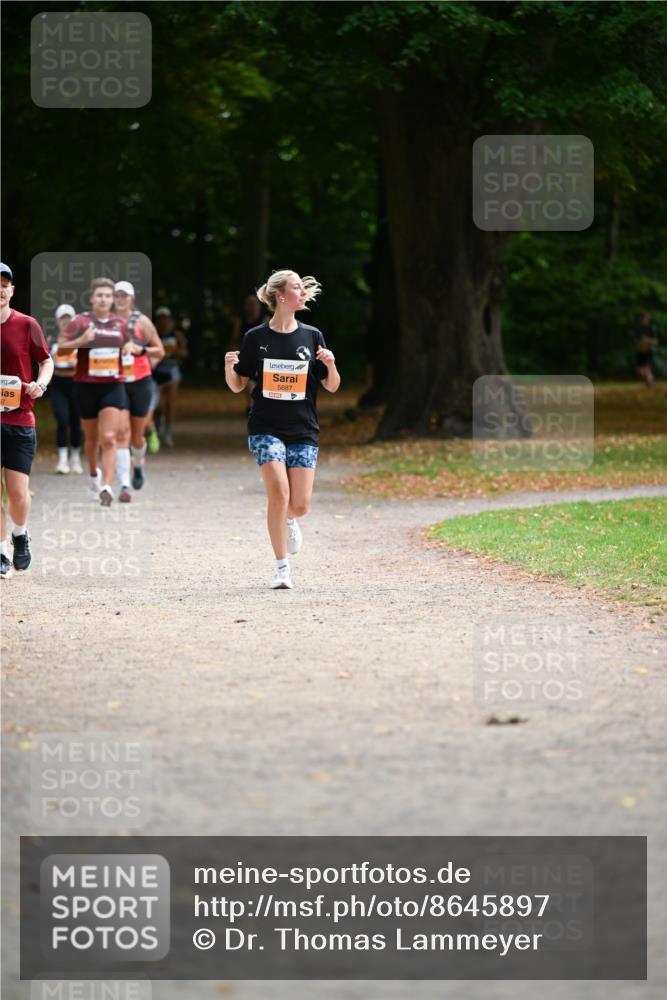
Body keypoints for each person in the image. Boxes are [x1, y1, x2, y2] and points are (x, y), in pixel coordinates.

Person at [225, 269, 340, 590]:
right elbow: (238, 385)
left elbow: (331, 386)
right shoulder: (256, 338)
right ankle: (281, 568)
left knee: (299, 504)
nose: (302, 293)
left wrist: (330, 365)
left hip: (303, 428)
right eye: (297, 288)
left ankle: (289, 518)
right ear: (280, 296)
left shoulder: (312, 336)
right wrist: (229, 368)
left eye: (303, 288)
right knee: (279, 492)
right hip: (265, 426)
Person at [0, 262, 54, 576]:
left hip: (19, 417)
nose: (0, 290)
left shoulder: (26, 324)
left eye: (4, 285)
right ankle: (1, 552)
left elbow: (46, 361)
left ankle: (20, 534)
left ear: (12, 290)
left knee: (18, 492)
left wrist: (40, 385)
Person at [59, 277, 131, 506]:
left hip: (113, 386)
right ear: (92, 298)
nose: (104, 299)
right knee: (92, 439)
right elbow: (61, 349)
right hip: (86, 387)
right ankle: (93, 476)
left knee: (108, 437)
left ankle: (107, 486)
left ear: (113, 299)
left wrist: (128, 348)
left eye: (108, 296)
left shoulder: (119, 323)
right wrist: (82, 340)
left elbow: (127, 345)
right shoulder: (80, 321)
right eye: (99, 295)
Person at [113, 281, 165, 499]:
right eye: (117, 295)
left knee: (137, 436)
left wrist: (141, 351)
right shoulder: (107, 322)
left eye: (124, 295)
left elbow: (160, 351)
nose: (120, 299)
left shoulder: (142, 322)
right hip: (117, 382)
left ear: (132, 298)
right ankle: (124, 485)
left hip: (140, 382)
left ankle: (138, 464)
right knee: (121, 432)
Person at [48, 303, 83, 474]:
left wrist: (78, 365)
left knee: (76, 423)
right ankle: (62, 460)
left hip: (76, 385)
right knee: (62, 420)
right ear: (57, 321)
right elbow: (44, 362)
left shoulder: (80, 341)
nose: (66, 322)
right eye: (62, 319)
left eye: (69, 319)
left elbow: (87, 363)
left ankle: (75, 458)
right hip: (57, 385)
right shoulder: (51, 341)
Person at [152, 307, 188, 447]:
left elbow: (185, 353)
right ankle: (158, 421)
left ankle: (168, 431)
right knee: (158, 403)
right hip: (156, 369)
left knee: (170, 402)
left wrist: (177, 351)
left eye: (166, 318)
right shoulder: (152, 334)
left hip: (172, 369)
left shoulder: (176, 335)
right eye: (161, 318)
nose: (164, 321)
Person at [633, 311, 659, 387]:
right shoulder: (637, 329)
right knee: (640, 371)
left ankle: (650, 382)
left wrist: (647, 340)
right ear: (641, 319)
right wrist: (640, 344)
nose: (646, 320)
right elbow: (635, 340)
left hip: (648, 351)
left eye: (648, 318)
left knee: (647, 368)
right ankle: (648, 381)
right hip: (640, 351)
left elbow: (656, 341)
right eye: (645, 318)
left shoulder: (651, 328)